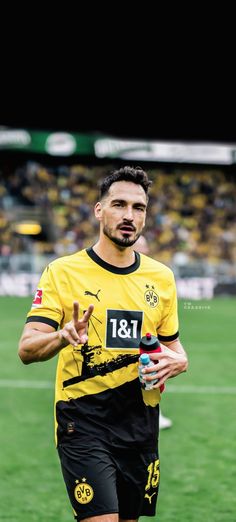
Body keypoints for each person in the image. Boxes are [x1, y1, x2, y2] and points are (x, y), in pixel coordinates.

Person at [18, 166, 188, 522]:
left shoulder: (161, 277)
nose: (129, 216)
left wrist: (178, 362)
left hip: (140, 423)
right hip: (83, 421)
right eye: (119, 204)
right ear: (99, 210)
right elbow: (27, 348)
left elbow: (174, 348)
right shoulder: (62, 272)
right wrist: (62, 336)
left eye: (138, 208)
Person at [134, 235, 173, 430]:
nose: (144, 250)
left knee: (152, 377)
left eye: (145, 246)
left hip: (149, 340)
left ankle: (154, 412)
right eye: (140, 246)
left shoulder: (156, 276)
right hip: (127, 341)